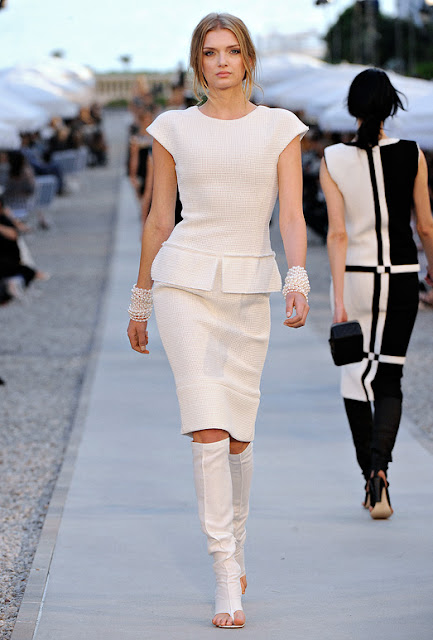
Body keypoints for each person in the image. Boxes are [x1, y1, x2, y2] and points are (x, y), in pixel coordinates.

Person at [127, 12, 310, 629]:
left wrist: (297, 278)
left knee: (238, 436)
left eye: (232, 51)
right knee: (207, 426)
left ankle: (237, 545)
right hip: (184, 282)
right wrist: (142, 300)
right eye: (210, 52)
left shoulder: (280, 127)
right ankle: (224, 572)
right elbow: (159, 218)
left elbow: (291, 216)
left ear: (248, 59)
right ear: (197, 62)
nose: (222, 61)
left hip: (248, 288)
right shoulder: (172, 127)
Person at [320, 69, 433, 519]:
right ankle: (381, 469)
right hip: (402, 276)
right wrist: (432, 270)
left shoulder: (332, 159)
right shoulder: (413, 153)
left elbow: (336, 235)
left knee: (354, 377)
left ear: (352, 108)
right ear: (391, 106)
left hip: (358, 276)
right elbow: (426, 226)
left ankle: (369, 476)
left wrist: (339, 299)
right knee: (390, 377)